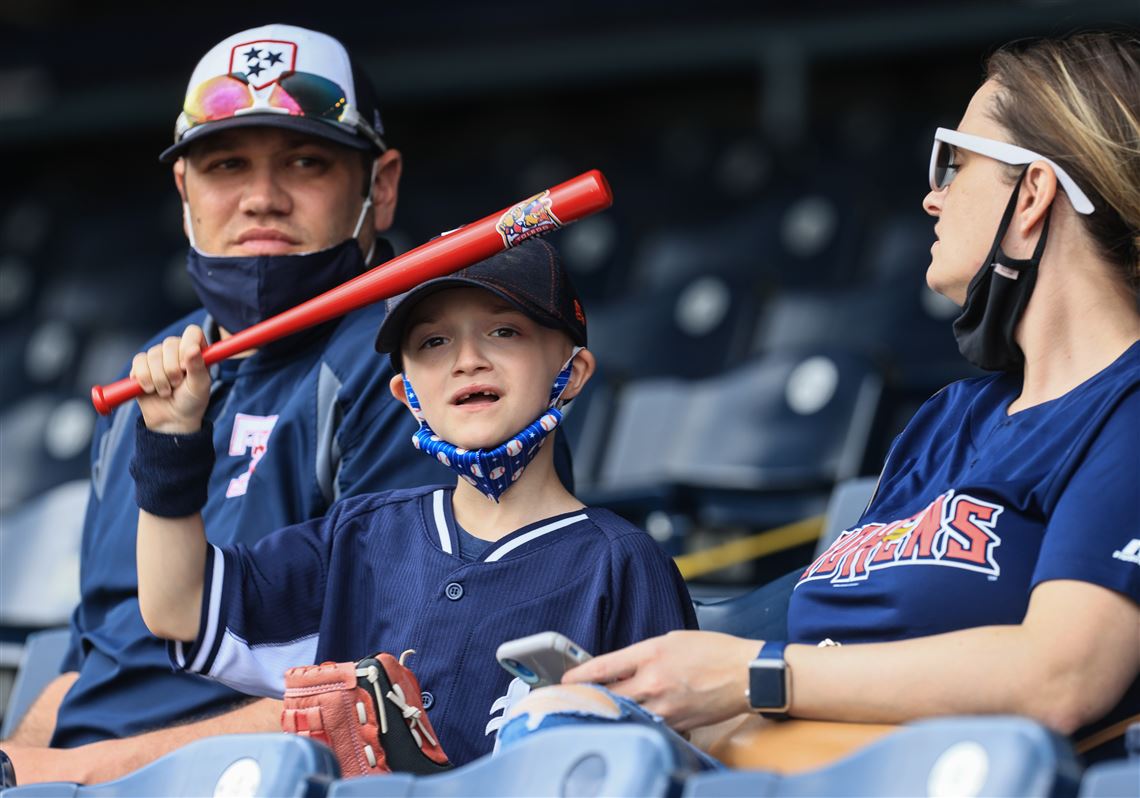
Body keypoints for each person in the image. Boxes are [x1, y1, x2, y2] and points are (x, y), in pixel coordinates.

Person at [502, 31, 1140, 766]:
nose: (932, 196)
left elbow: (1062, 678)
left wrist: (751, 677)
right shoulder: (949, 420)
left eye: (955, 163)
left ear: (1032, 195)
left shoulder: (1124, 410)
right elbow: (793, 648)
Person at [0, 22, 497, 784]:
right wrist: (18, 764)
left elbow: (373, 701)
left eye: (306, 162)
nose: (262, 198)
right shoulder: (148, 379)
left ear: (381, 185)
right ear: (185, 193)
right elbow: (92, 660)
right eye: (227, 164)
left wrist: (69, 774)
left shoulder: (415, 362)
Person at [132, 239, 698, 766]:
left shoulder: (623, 561)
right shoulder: (359, 534)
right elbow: (178, 607)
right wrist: (169, 438)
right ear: (407, 392)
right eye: (433, 342)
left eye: (504, 332)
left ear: (571, 373)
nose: (467, 360)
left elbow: (668, 761)